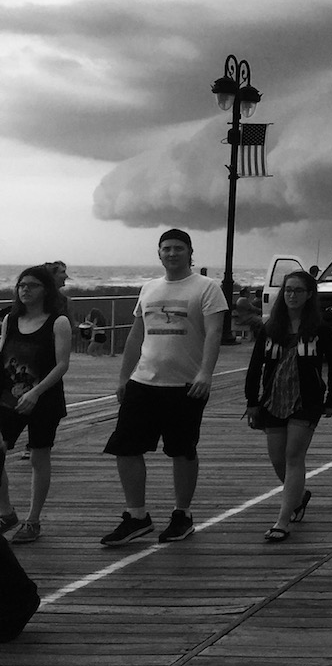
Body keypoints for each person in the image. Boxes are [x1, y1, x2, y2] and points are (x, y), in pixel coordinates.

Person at [100, 229, 226, 547]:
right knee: (125, 447)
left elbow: (214, 334)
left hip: (185, 385)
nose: (172, 253)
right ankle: (137, 516)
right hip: (144, 381)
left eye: (178, 248)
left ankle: (182, 514)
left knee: (182, 450)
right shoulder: (149, 288)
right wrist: (124, 377)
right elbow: (136, 335)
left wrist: (206, 374)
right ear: (159, 253)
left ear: (190, 252)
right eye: (166, 248)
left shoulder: (207, 288)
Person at [242, 271, 332, 542]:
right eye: (288, 290)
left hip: (306, 400)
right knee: (277, 459)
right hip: (273, 399)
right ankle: (298, 497)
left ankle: (282, 521)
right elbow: (255, 366)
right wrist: (252, 401)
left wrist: (331, 399)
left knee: (293, 456)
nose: (292, 295)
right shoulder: (271, 328)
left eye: (298, 290)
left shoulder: (320, 330)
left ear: (309, 295)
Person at [0, 266, 72, 544]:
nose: (25, 290)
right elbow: (4, 353)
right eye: (21, 285)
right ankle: (6, 511)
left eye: (32, 285)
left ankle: (33, 520)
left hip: (44, 398)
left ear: (45, 290)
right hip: (9, 397)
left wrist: (36, 392)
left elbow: (62, 364)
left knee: (38, 457)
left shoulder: (58, 322)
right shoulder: (10, 319)